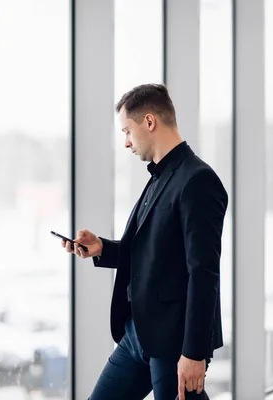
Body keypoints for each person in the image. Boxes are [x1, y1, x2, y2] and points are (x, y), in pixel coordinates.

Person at [62, 83, 228, 400]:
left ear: (149, 122)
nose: (126, 142)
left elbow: (204, 273)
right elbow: (153, 252)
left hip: (174, 343)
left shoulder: (197, 180)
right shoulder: (159, 177)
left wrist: (194, 353)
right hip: (136, 334)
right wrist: (102, 248)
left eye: (127, 131)